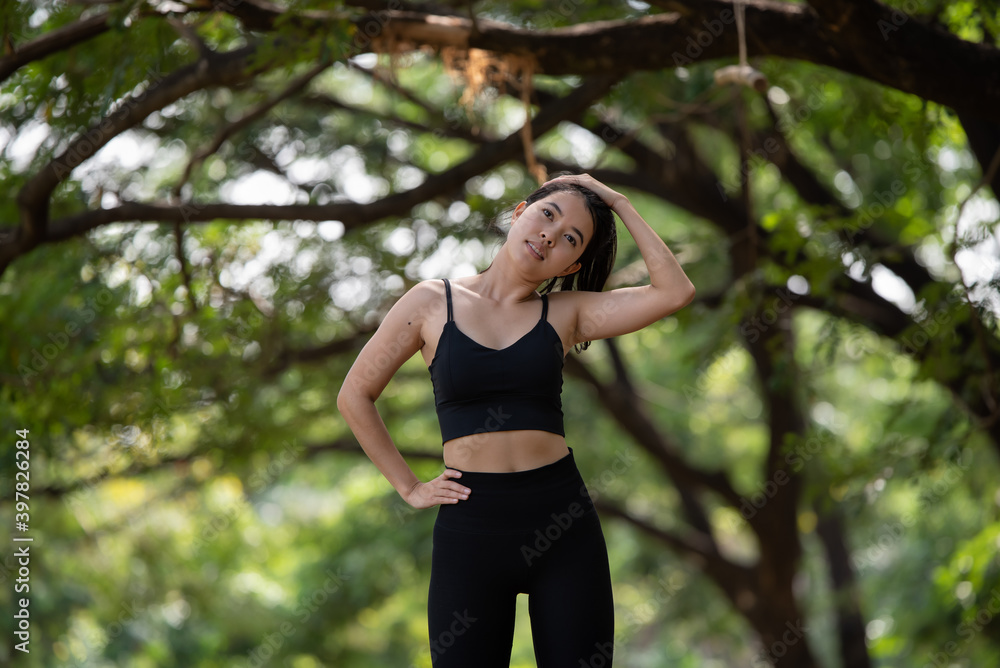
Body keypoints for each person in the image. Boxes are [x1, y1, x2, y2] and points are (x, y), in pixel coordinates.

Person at [337, 173, 696, 667]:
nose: (551, 234)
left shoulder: (567, 313)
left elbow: (674, 291)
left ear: (574, 262)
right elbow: (355, 393)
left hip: (562, 521)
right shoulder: (429, 304)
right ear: (520, 211)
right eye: (548, 214)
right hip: (471, 526)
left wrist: (617, 200)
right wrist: (409, 487)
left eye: (571, 237)